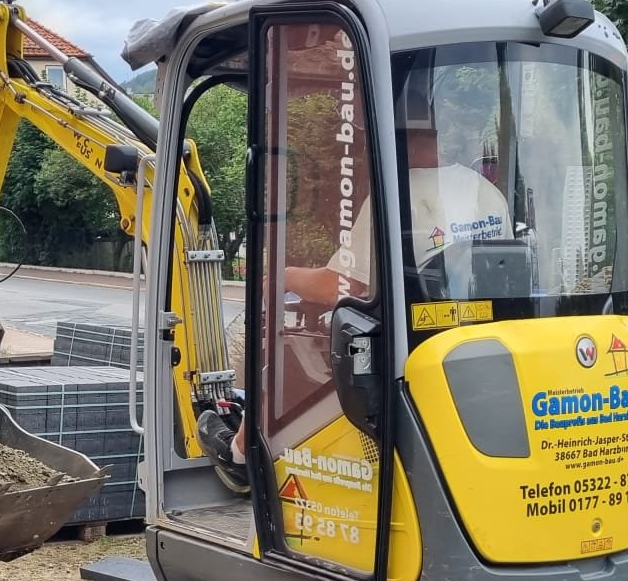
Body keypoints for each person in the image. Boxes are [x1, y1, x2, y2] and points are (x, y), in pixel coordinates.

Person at [196, 69, 513, 493]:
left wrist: (278, 275)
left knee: (291, 355)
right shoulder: (484, 192)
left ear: (389, 134)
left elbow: (342, 287)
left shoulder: (397, 194)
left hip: (406, 351)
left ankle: (241, 456)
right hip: (470, 344)